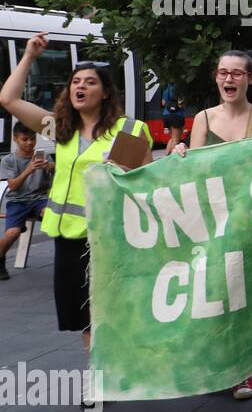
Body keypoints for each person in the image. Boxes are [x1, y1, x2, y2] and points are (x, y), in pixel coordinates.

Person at [0, 35, 153, 364]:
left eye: (90, 82)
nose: (80, 87)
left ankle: (112, 370)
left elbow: (147, 183)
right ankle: (99, 374)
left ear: (106, 92)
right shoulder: (60, 129)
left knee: (105, 309)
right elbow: (9, 99)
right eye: (75, 82)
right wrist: (28, 57)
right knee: (83, 313)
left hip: (108, 238)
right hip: (68, 237)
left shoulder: (127, 130)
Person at [169, 50, 252, 399]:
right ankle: (211, 365)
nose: (229, 79)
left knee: (241, 294)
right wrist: (181, 157)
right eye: (223, 73)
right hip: (210, 222)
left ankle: (242, 371)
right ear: (216, 77)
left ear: (250, 78)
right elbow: (194, 173)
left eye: (237, 74)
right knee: (211, 293)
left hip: (250, 220)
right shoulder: (203, 119)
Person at [0, 120, 53, 281]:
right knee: (12, 233)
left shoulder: (44, 156)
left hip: (40, 199)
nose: (30, 143)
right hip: (18, 201)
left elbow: (59, 179)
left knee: (55, 218)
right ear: (15, 139)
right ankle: (0, 259)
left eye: (32, 139)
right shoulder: (9, 160)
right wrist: (29, 170)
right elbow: (13, 186)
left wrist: (52, 167)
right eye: (25, 139)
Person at [160, 82, 186, 154]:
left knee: (172, 139)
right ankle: (172, 161)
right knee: (176, 141)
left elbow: (163, 103)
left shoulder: (167, 86)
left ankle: (166, 158)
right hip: (177, 115)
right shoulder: (179, 87)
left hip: (166, 115)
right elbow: (181, 105)